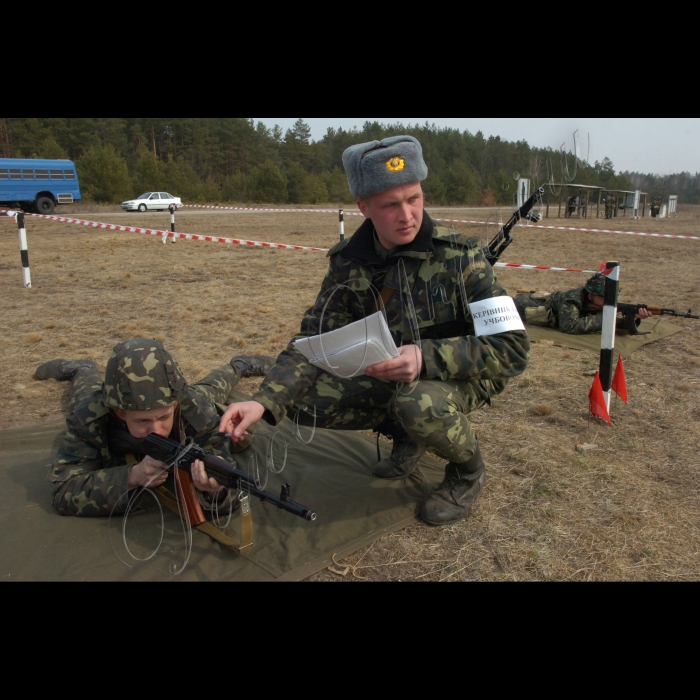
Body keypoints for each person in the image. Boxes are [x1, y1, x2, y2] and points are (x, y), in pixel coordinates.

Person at [218, 136, 531, 527]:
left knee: (418, 402)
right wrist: (264, 401)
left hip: (461, 375)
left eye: (414, 199)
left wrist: (425, 357)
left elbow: (513, 349)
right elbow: (311, 342)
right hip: (387, 375)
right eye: (390, 204)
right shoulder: (348, 263)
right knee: (299, 401)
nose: (407, 215)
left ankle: (467, 472)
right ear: (363, 207)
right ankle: (408, 435)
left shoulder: (460, 257)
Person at [36, 338, 274, 517]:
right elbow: (64, 492)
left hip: (191, 400)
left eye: (163, 417)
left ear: (176, 404)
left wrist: (215, 492)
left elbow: (224, 469)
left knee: (209, 390)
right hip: (99, 400)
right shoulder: (90, 418)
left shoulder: (193, 409)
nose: (157, 429)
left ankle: (239, 366)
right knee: (85, 390)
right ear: (119, 412)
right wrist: (131, 476)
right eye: (142, 421)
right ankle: (82, 368)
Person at [514, 273, 653, 334]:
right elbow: (569, 326)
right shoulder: (573, 299)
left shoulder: (596, 302)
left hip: (553, 302)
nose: (608, 302)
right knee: (514, 305)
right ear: (591, 295)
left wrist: (634, 317)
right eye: (604, 298)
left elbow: (615, 323)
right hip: (535, 306)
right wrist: (605, 318)